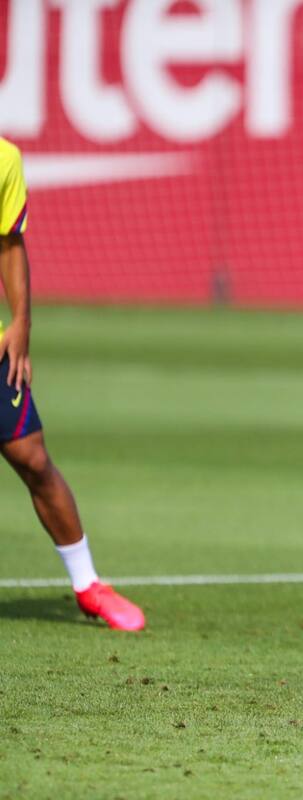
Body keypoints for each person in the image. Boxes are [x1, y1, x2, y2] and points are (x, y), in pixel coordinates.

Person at [0, 137, 145, 631]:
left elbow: (10, 244)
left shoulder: (5, 159)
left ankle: (88, 585)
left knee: (32, 456)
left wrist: (22, 325)